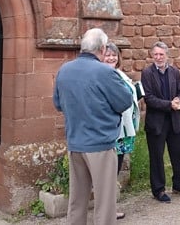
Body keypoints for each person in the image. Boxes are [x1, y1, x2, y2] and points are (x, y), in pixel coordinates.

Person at [53, 28, 133, 225]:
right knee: (105, 202)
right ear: (103, 48)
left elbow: (57, 104)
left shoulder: (64, 70)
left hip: (75, 142)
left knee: (77, 199)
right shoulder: (105, 72)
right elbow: (125, 101)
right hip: (101, 144)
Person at [141, 41, 180, 202]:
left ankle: (179, 184)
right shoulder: (147, 73)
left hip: (174, 120)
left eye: (161, 54)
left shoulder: (174, 72)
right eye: (155, 54)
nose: (158, 57)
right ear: (152, 55)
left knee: (178, 154)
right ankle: (159, 190)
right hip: (156, 123)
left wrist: (179, 99)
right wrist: (169, 104)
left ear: (167, 55)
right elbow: (148, 98)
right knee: (157, 157)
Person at [103, 42, 140, 220]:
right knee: (109, 173)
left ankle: (110, 208)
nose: (111, 58)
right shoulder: (103, 75)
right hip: (113, 133)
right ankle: (108, 211)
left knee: (114, 171)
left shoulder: (119, 74)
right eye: (107, 55)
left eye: (114, 55)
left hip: (124, 132)